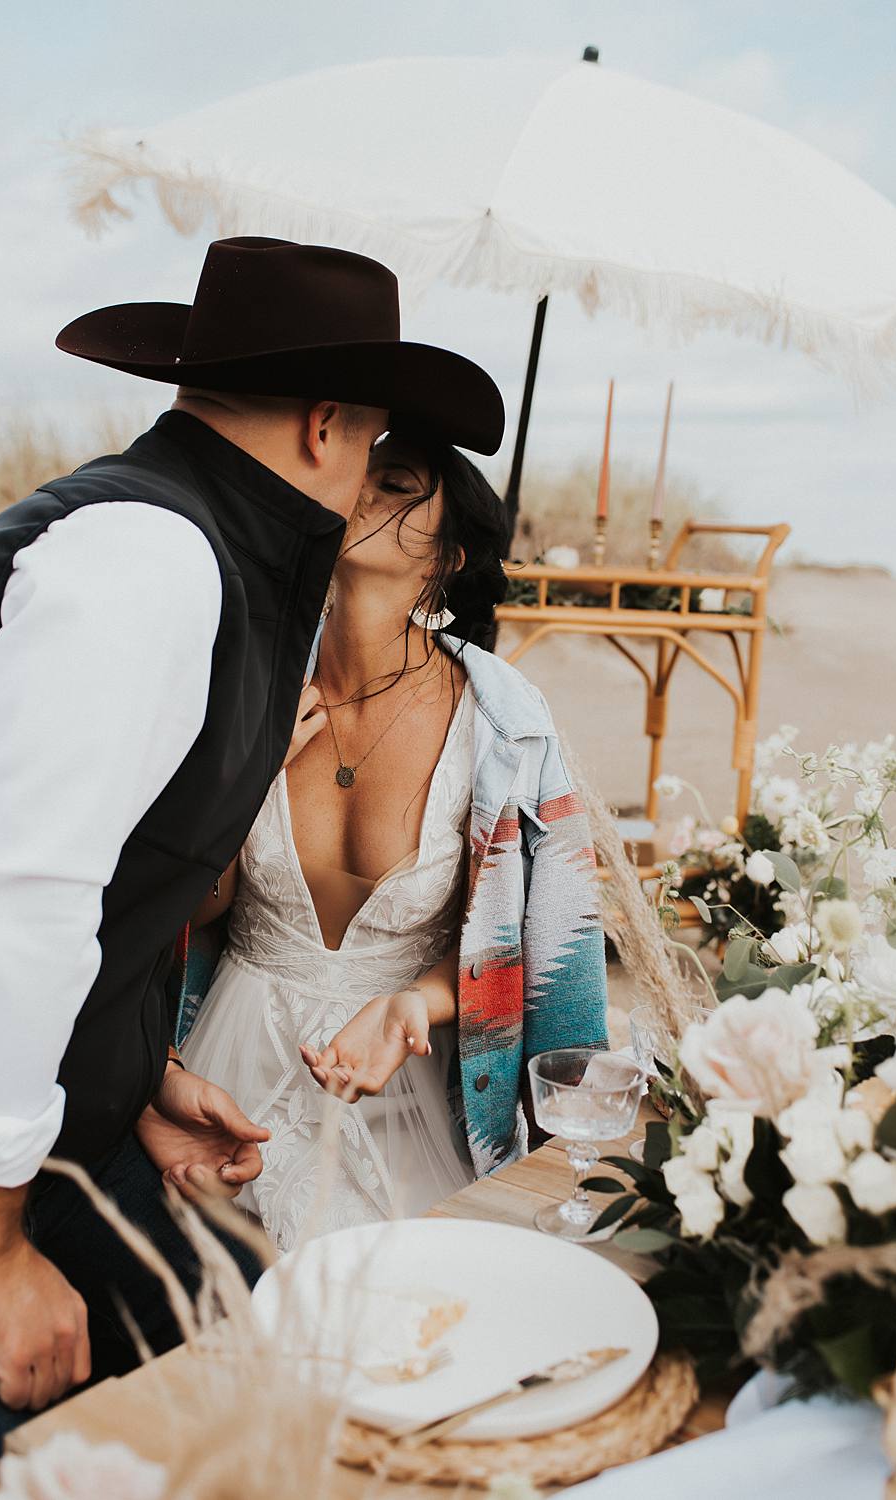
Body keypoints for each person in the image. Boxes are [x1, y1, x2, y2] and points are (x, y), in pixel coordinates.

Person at [0, 236, 504, 1447]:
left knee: (235, 1393)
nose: (368, 482)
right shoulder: (150, 558)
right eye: (373, 445)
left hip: (61, 1121)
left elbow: (111, 892)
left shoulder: (201, 552)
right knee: (27, 1464)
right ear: (325, 425)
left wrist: (132, 1080)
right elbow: (8, 901)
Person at [181, 430, 609, 1251]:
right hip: (224, 1058)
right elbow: (194, 908)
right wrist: (242, 778)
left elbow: (533, 950)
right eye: (358, 471)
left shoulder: (506, 731)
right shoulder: (247, 682)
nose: (358, 488)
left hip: (402, 1084)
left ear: (446, 555)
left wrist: (418, 1000)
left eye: (394, 482)